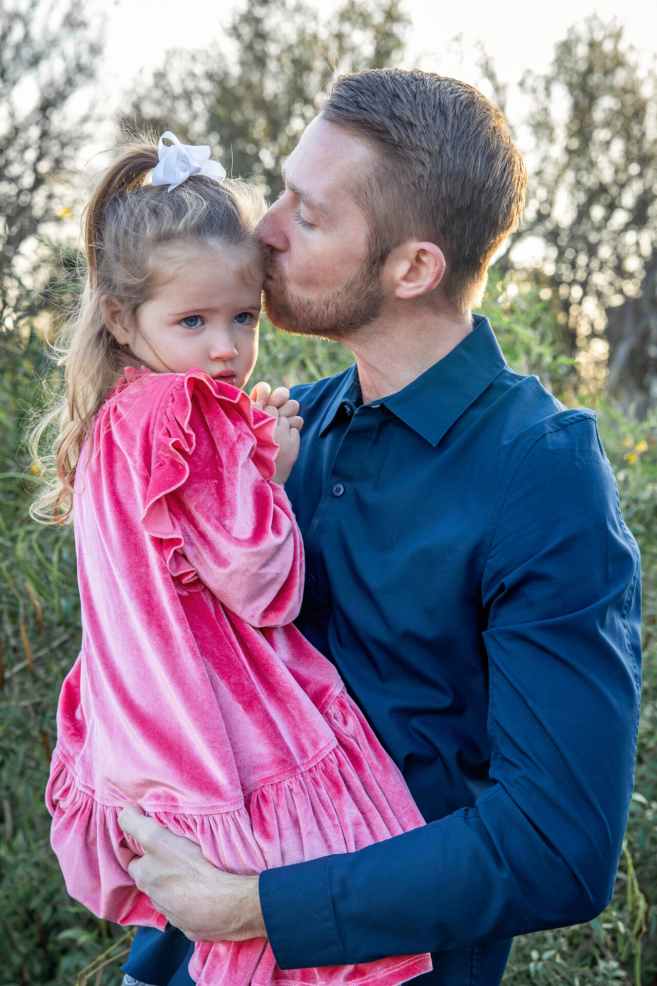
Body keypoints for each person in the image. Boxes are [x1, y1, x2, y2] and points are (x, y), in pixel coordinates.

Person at [118, 69, 643, 986]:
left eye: (307, 215)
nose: (263, 228)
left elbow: (558, 845)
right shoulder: (276, 430)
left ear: (412, 268)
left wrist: (254, 907)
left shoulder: (540, 468)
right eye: (279, 191)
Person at [34, 132, 433, 986]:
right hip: (220, 726)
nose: (225, 348)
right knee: (284, 924)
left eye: (242, 317)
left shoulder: (112, 421)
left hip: (141, 733)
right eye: (193, 321)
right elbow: (262, 582)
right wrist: (274, 478)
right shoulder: (190, 413)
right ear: (120, 318)